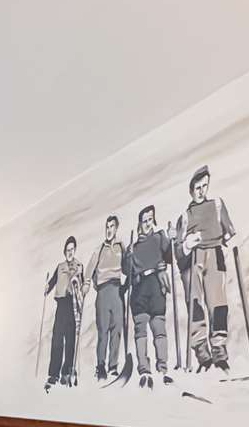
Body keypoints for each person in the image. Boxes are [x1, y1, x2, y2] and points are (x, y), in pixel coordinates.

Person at [175, 166, 237, 370]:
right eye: (197, 187)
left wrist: (227, 239)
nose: (201, 191)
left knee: (218, 303)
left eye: (205, 186)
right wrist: (186, 244)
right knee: (196, 304)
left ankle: (219, 352)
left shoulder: (217, 205)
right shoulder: (185, 216)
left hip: (215, 255)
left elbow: (229, 230)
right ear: (191, 190)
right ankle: (202, 354)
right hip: (194, 258)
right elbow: (178, 250)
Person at [124, 205, 173, 388]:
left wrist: (172, 239)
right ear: (139, 224)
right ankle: (144, 369)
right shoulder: (134, 247)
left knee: (159, 328)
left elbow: (170, 257)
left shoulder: (160, 237)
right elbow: (126, 271)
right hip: (139, 288)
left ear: (154, 220)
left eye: (150, 220)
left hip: (156, 285)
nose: (147, 224)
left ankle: (162, 367)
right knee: (140, 330)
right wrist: (128, 257)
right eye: (144, 221)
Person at [85, 215, 126, 380]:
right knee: (103, 331)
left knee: (117, 329)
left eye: (112, 226)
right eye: (107, 227)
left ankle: (113, 366)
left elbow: (127, 265)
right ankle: (100, 366)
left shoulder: (121, 246)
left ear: (116, 228)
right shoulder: (99, 249)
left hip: (117, 290)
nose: (109, 230)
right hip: (103, 292)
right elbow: (89, 270)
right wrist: (87, 284)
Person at [44, 235, 84, 390]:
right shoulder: (60, 266)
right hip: (61, 305)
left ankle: (67, 371)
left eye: (72, 249)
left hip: (72, 304)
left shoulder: (79, 266)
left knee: (70, 339)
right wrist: (47, 287)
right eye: (68, 250)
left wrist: (79, 281)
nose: (70, 252)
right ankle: (54, 373)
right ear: (64, 251)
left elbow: (82, 285)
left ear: (75, 250)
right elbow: (53, 280)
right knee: (57, 339)